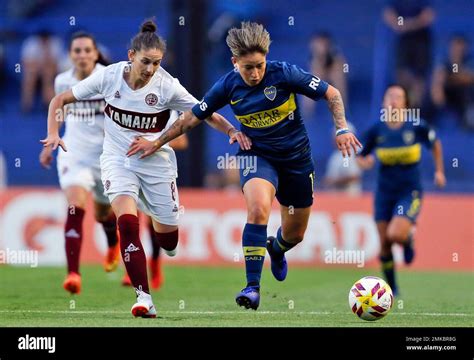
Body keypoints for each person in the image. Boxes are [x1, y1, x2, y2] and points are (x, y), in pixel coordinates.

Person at [130, 22, 361, 310]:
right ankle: (252, 287)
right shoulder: (228, 85)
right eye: (248, 67)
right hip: (257, 156)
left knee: (295, 234)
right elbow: (192, 117)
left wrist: (341, 129)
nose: (254, 74)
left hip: (296, 159)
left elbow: (332, 94)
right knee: (257, 209)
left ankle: (276, 249)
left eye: (259, 66)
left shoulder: (284, 73)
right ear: (234, 62)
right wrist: (158, 141)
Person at [41, 19, 250, 318]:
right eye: (145, 62)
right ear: (130, 56)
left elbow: (203, 110)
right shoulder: (109, 77)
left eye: (156, 63)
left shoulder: (166, 86)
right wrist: (53, 133)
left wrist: (230, 130)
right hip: (116, 159)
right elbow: (61, 99)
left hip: (157, 164)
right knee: (126, 223)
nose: (151, 69)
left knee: (169, 242)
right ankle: (144, 298)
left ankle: (161, 241)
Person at [39, 31, 119, 295]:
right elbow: (60, 111)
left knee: (102, 214)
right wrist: (52, 140)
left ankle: (112, 243)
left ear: (96, 54)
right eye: (77, 51)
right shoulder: (62, 80)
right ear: (70, 55)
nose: (82, 55)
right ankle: (73, 273)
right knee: (75, 207)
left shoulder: (109, 78)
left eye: (87, 50)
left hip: (105, 157)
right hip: (73, 153)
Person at [357, 84, 446, 295]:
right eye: (390, 96)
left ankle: (408, 240)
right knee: (385, 244)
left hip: (409, 191)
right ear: (383, 102)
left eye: (398, 97)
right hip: (384, 193)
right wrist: (364, 161)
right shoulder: (376, 130)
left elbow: (435, 143)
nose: (394, 100)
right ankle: (393, 290)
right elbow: (360, 154)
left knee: (395, 233)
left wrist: (440, 171)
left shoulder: (415, 126)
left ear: (406, 103)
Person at [121, 129, 189, 290]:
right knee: (128, 220)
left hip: (155, 173)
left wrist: (155, 143)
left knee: (153, 223)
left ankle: (155, 264)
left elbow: (181, 142)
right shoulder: (123, 109)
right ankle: (130, 268)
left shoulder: (167, 110)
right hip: (127, 170)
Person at [430, 34, 474, 130]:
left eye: (460, 46)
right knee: (432, 92)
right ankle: (428, 124)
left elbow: (468, 78)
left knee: (467, 91)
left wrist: (456, 63)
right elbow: (438, 76)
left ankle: (469, 122)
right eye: (454, 45)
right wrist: (437, 89)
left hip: (463, 93)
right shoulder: (443, 59)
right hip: (448, 92)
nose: (457, 49)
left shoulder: (470, 60)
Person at [323, 122, 362, 195]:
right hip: (335, 197)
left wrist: (334, 181)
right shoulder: (335, 156)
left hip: (350, 196)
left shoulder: (354, 152)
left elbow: (354, 177)